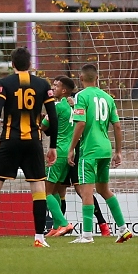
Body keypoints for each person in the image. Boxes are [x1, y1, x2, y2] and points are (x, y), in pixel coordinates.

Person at [0, 47, 58, 248]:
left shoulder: (5, 83)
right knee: (38, 188)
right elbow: (53, 116)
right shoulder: (42, 84)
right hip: (33, 141)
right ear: (30, 64)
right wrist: (53, 146)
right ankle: (39, 238)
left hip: (9, 140)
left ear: (12, 64)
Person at [67, 64, 131, 244]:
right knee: (104, 189)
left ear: (81, 78)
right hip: (105, 149)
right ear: (97, 78)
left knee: (87, 191)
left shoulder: (81, 96)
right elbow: (117, 126)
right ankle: (123, 229)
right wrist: (118, 151)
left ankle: (87, 235)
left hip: (89, 150)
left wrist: (71, 148)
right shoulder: (107, 98)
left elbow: (80, 124)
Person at [41, 76, 111, 237]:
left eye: (56, 86)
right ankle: (57, 226)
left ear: (64, 90)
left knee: (46, 191)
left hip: (59, 151)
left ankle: (64, 224)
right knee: (59, 190)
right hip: (72, 151)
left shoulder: (57, 106)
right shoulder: (76, 105)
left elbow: (43, 126)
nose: (53, 88)